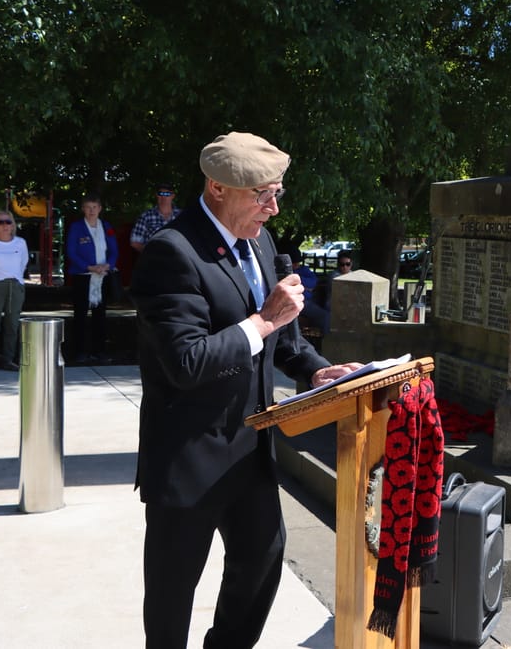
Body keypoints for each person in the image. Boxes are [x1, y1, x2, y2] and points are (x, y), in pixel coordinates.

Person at [130, 131, 362, 648]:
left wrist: (316, 370)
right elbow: (186, 362)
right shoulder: (173, 252)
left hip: (249, 450)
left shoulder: (258, 239)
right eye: (263, 194)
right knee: (172, 597)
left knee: (262, 565)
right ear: (217, 187)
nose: (273, 208)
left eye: (277, 193)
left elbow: (283, 338)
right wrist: (262, 320)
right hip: (189, 459)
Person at [66, 194, 118, 364]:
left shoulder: (106, 226)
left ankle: (99, 351)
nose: (91, 211)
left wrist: (107, 265)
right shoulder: (76, 227)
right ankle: (79, 352)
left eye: (94, 207)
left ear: (100, 209)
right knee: (80, 315)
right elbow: (71, 252)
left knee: (100, 316)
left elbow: (114, 251)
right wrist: (89, 267)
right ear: (83, 209)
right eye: (88, 207)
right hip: (83, 276)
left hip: (102, 276)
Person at [0, 211, 29, 373]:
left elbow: (23, 263)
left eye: (8, 222)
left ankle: (8, 359)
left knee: (12, 324)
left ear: (13, 225)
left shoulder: (20, 243)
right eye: (1, 222)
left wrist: (17, 282)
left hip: (15, 285)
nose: (5, 225)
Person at [130, 182, 180, 252]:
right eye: (160, 193)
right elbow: (134, 242)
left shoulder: (181, 216)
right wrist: (151, 253)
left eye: (167, 194)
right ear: (156, 195)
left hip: (177, 259)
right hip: (153, 260)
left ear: (173, 196)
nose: (164, 197)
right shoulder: (146, 216)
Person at [287, 247, 326, 332]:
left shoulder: (303, 270)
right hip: (299, 302)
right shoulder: (287, 274)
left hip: (310, 299)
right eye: (295, 262)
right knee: (324, 316)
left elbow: (313, 282)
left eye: (298, 262)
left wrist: (299, 281)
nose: (297, 264)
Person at [317, 248, 353, 333]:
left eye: (347, 264)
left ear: (351, 264)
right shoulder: (334, 276)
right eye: (342, 264)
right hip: (333, 306)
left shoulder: (353, 274)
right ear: (338, 265)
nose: (345, 267)